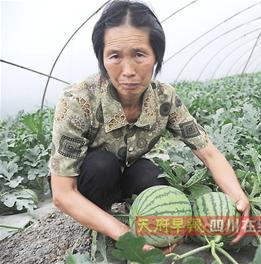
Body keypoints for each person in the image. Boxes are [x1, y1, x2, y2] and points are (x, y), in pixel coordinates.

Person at [48, 0, 249, 253]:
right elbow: (62, 194)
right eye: (115, 56)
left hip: (126, 173)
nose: (128, 70)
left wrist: (238, 197)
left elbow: (207, 151)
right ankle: (100, 220)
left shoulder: (165, 98)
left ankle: (137, 219)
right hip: (87, 181)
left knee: (152, 177)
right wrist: (127, 237)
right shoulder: (78, 100)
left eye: (140, 54)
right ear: (102, 57)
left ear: (156, 56)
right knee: (102, 165)